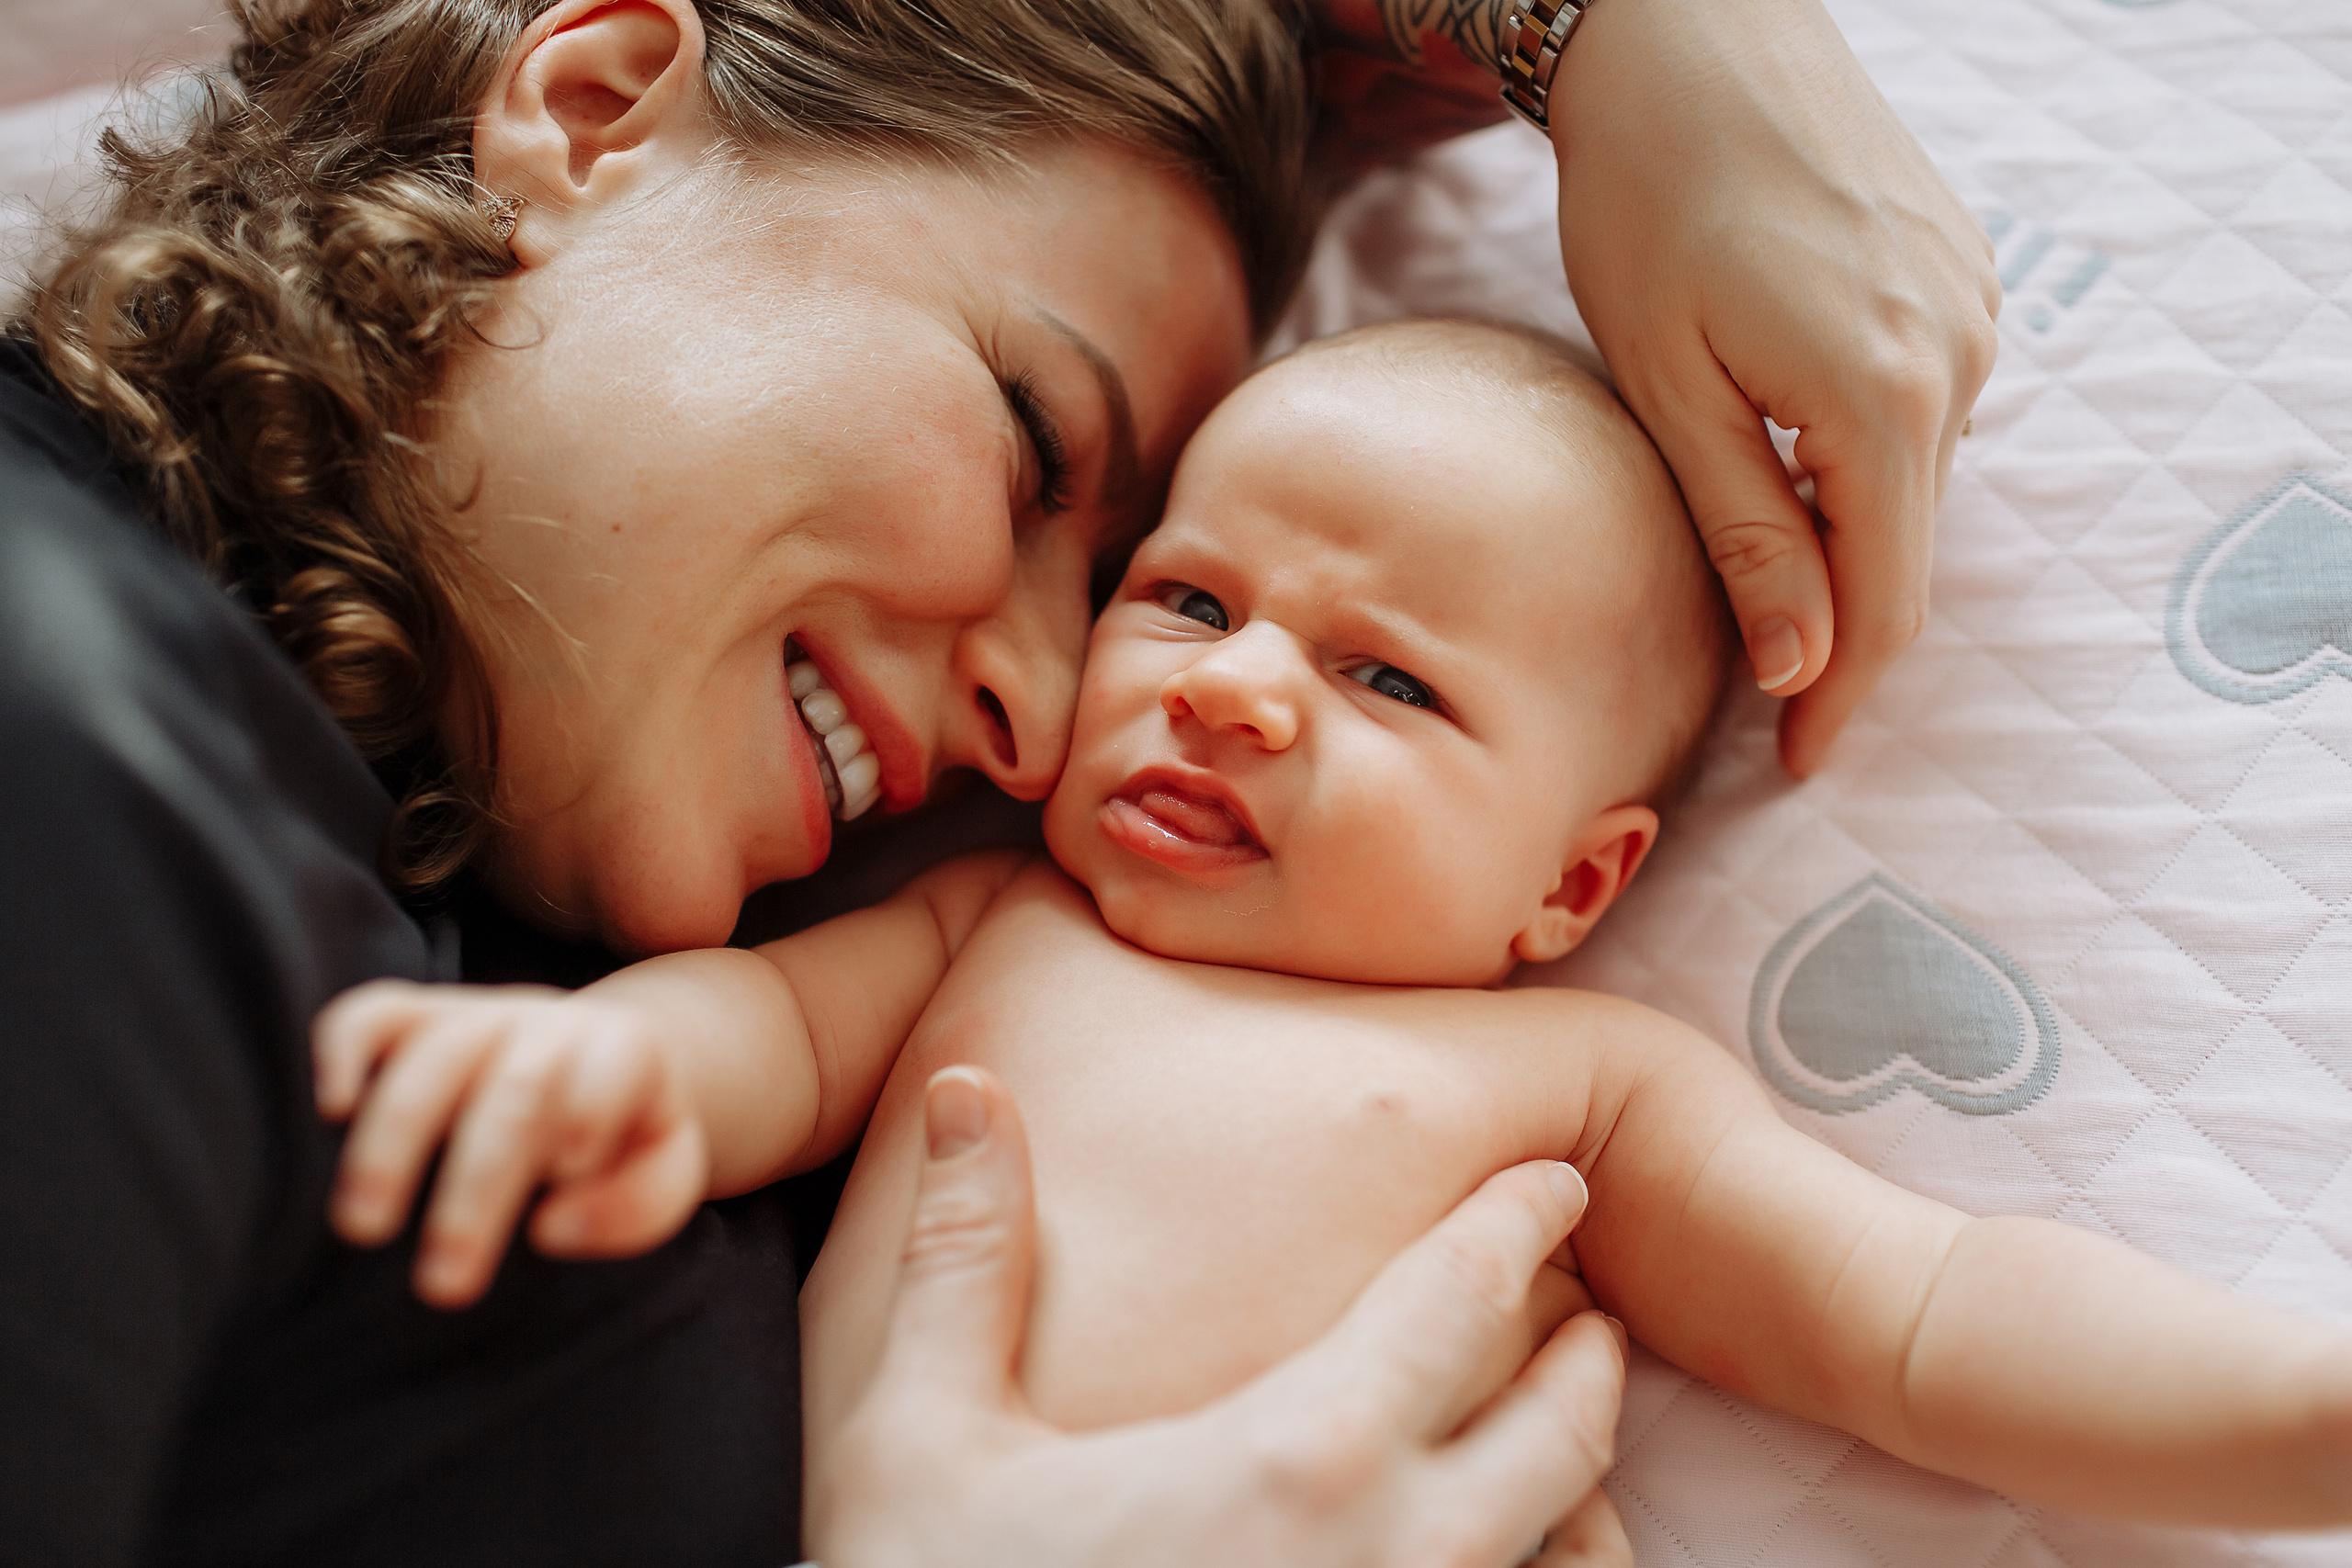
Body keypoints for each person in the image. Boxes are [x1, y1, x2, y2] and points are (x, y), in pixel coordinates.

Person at [0, 0, 1996, 1561]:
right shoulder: (66, 704)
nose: (1049, 722)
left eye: (1119, 580)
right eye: (1037, 446)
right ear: (597, 110)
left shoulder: (554, 930)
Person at [320, 320, 2352, 1560]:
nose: (1234, 689)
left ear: (1572, 886)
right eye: (1191, 600)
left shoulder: (1579, 1088)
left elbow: (1915, 1316)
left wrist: (2295, 1419)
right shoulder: (996, 925)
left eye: (1389, 681)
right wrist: (609, 1066)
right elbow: (767, 1035)